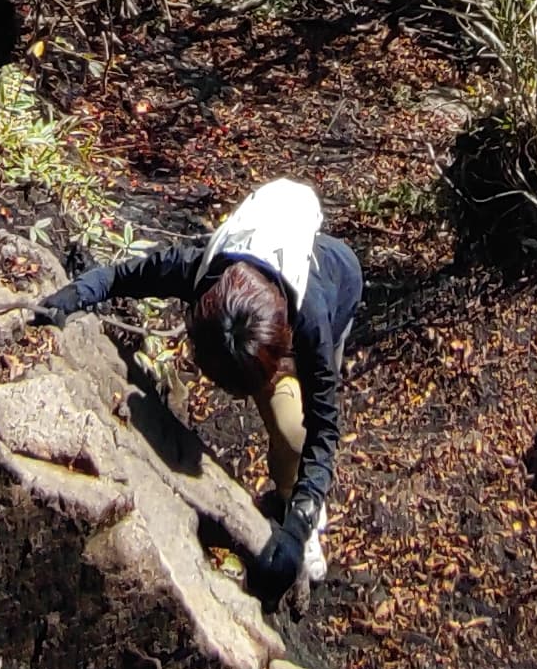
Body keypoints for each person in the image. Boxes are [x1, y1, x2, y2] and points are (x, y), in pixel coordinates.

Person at [32, 177, 360, 612]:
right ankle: (291, 489)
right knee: (284, 418)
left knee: (294, 431)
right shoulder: (201, 273)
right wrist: (74, 295)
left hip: (339, 284)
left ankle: (299, 503)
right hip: (262, 329)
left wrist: (298, 528)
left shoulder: (312, 319)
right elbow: (124, 276)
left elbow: (324, 427)